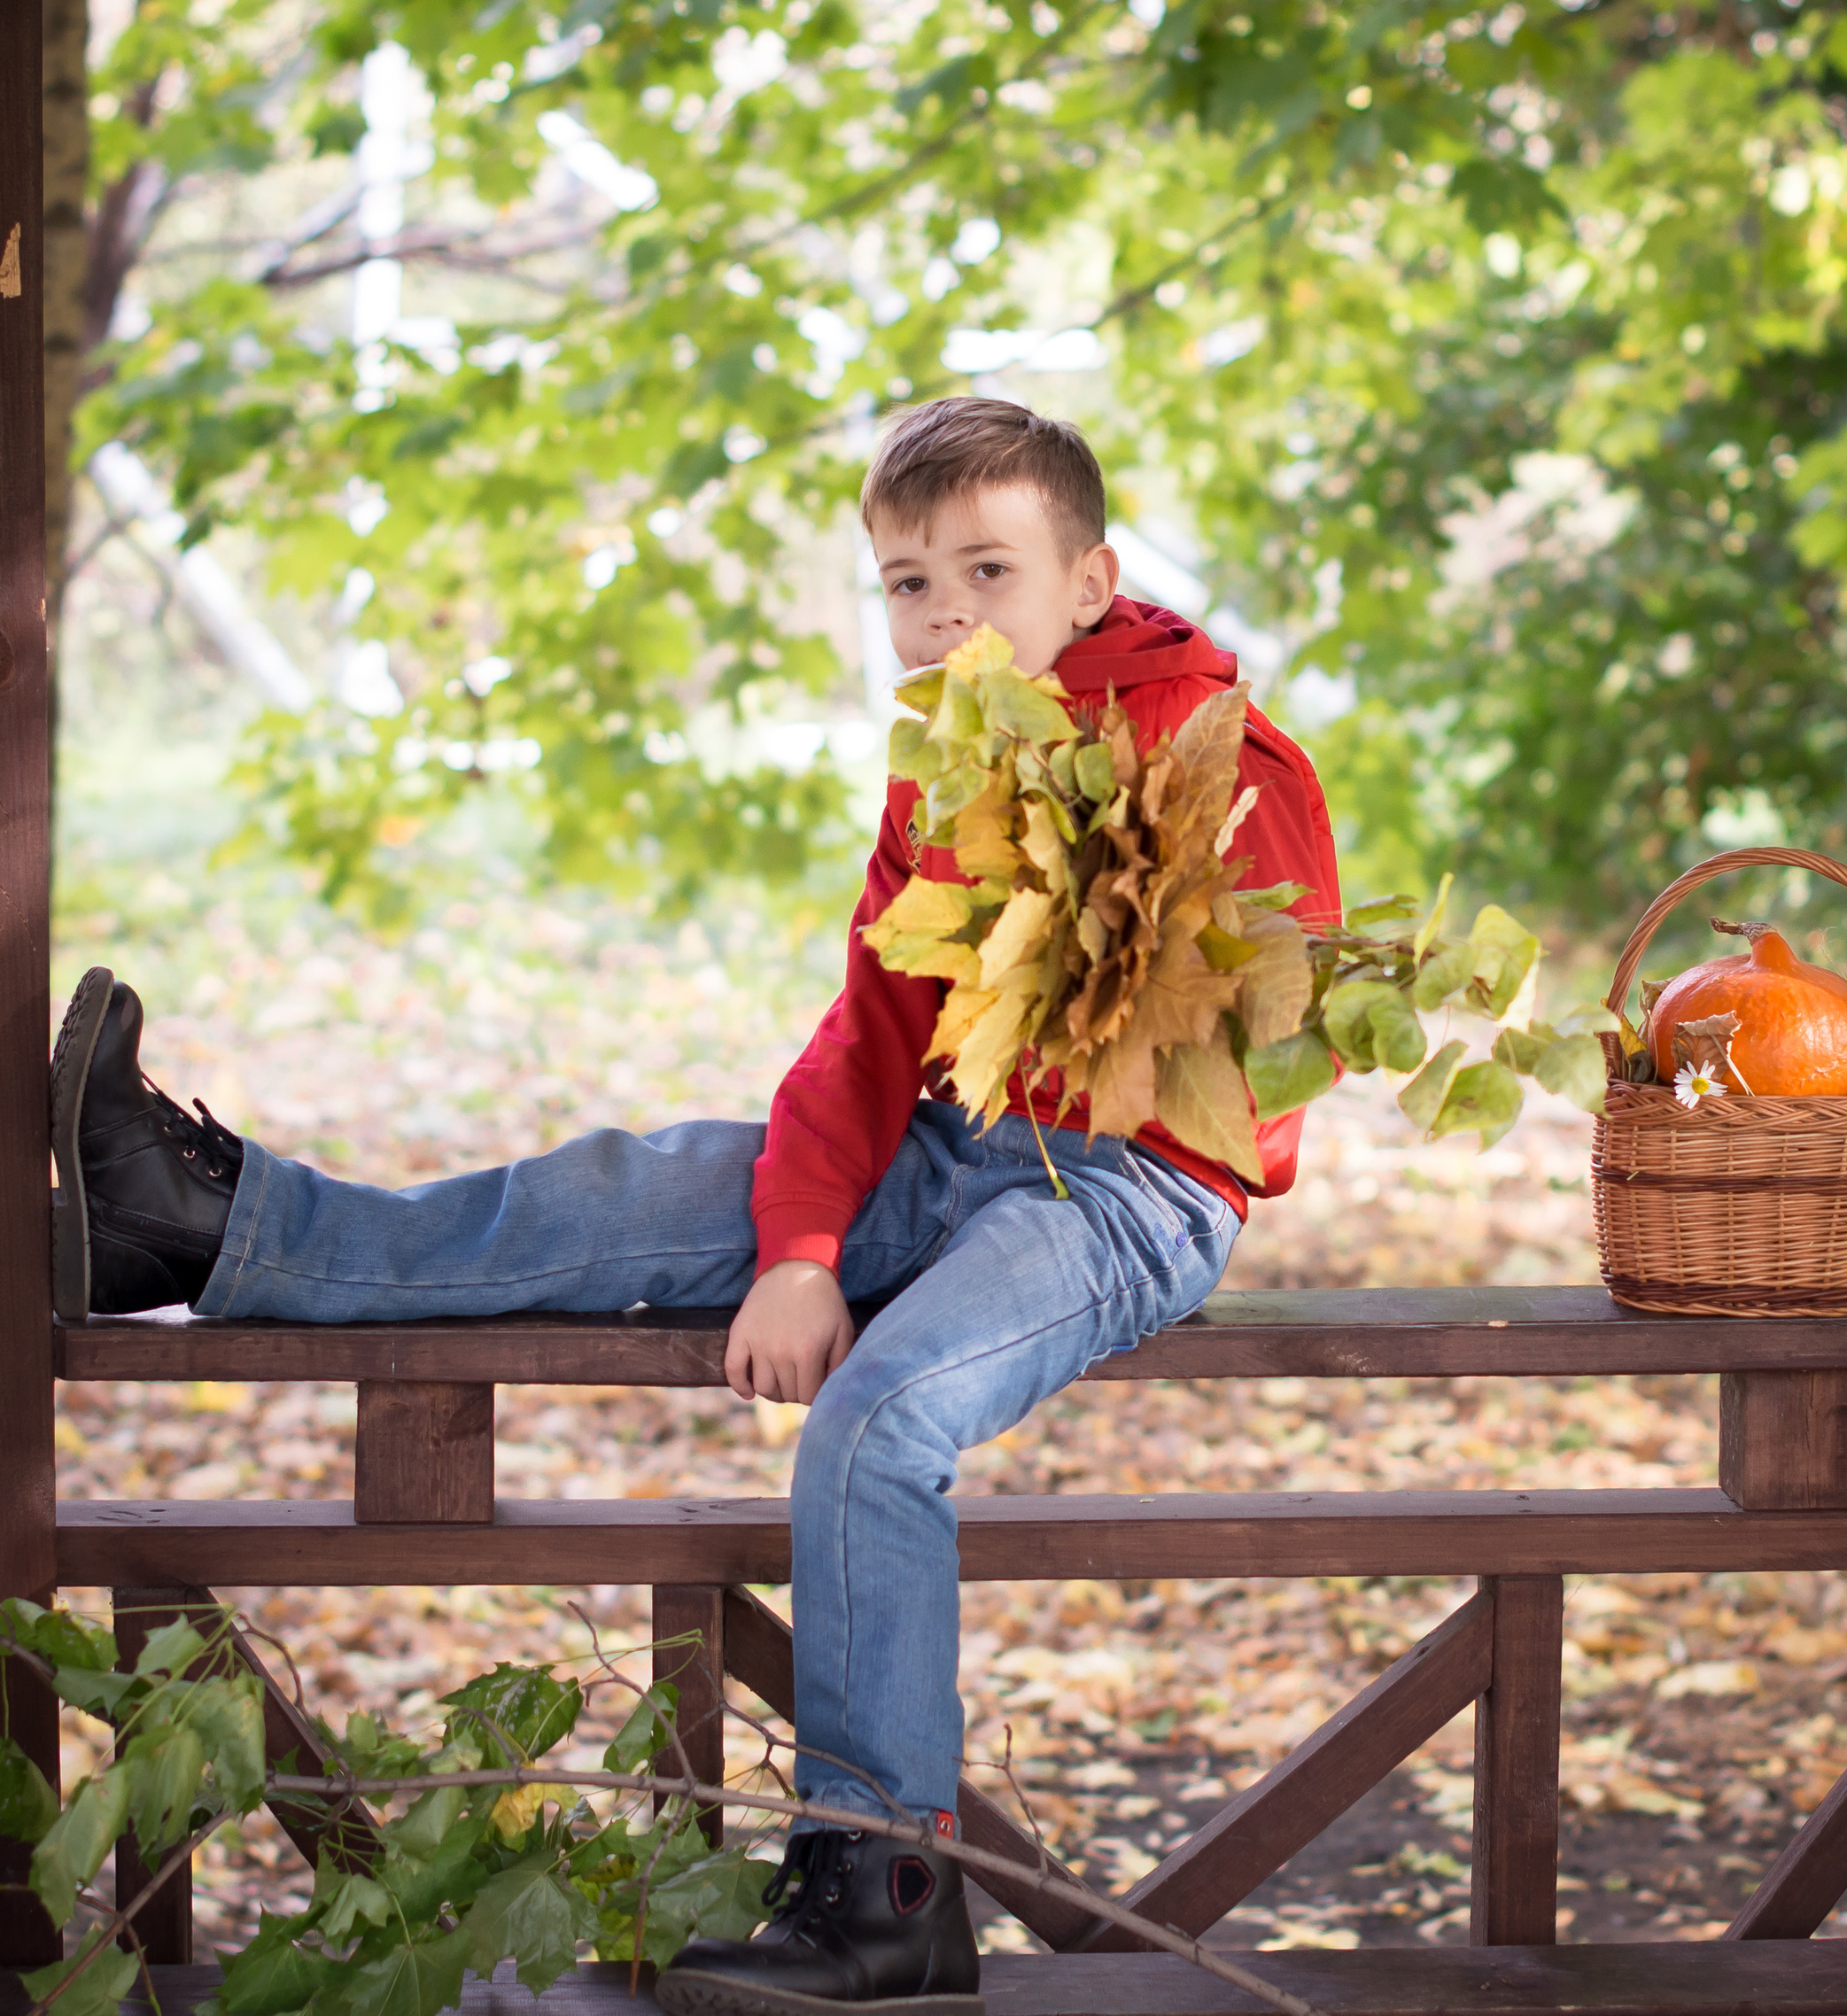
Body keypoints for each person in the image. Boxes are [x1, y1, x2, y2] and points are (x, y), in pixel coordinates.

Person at [49, 396, 1341, 2016]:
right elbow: (873, 1034)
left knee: (877, 1426)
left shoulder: (1223, 756)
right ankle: (205, 1225)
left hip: (1128, 1189)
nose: (944, 615)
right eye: (908, 582)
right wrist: (800, 1249)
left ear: (1089, 581)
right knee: (631, 1187)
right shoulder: (944, 771)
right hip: (950, 1142)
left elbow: (1276, 1046)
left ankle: (887, 1891)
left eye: (987, 572)